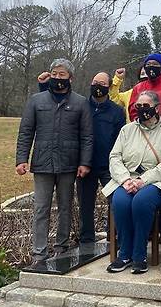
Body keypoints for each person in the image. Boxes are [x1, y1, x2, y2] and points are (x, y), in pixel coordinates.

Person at [16, 59, 93, 267]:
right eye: (55, 73)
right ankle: (39, 254)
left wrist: (85, 162)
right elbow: (26, 131)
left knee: (65, 207)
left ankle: (62, 247)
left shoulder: (80, 102)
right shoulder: (36, 100)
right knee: (41, 208)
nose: (58, 78)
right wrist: (21, 159)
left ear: (71, 77)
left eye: (62, 74)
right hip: (42, 163)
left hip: (69, 164)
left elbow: (87, 136)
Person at [37, 70, 126, 246]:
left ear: (109, 87)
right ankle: (87, 242)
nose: (97, 87)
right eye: (94, 82)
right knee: (85, 206)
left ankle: (115, 239)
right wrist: (44, 86)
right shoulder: (81, 105)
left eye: (102, 84)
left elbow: (120, 140)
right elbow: (56, 103)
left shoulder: (117, 112)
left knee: (116, 202)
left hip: (109, 165)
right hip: (84, 164)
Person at [102, 91, 161, 274]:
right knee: (120, 202)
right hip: (127, 179)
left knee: (141, 202)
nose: (142, 110)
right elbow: (115, 157)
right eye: (139, 106)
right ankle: (124, 254)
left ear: (156, 108)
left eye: (146, 106)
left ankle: (139, 254)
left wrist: (143, 180)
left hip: (156, 182)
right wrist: (125, 179)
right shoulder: (127, 130)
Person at [127, 54, 161, 129]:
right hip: (141, 131)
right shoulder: (138, 87)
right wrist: (141, 125)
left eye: (155, 64)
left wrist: (159, 126)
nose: (151, 66)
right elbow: (133, 111)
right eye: (148, 64)